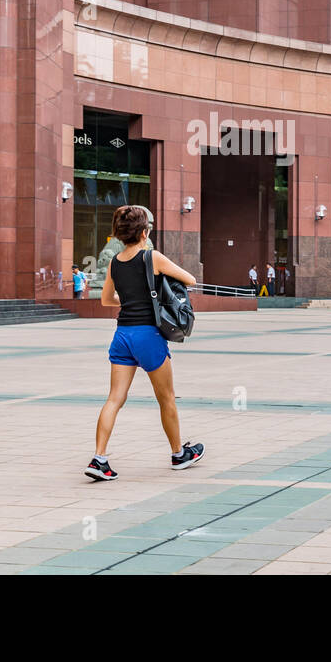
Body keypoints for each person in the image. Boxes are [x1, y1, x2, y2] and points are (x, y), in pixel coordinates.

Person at [84, 205, 204, 481]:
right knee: (166, 398)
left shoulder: (115, 262)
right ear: (142, 233)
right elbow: (190, 279)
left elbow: (105, 300)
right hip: (147, 335)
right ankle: (178, 454)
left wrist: (128, 300)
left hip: (122, 335)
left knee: (114, 398)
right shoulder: (152, 257)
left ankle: (99, 458)